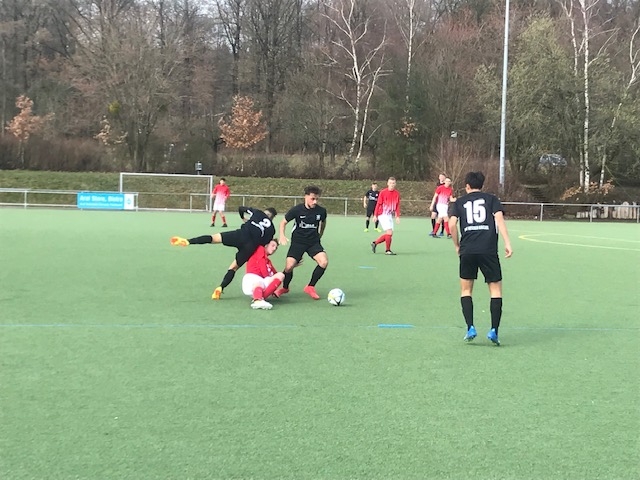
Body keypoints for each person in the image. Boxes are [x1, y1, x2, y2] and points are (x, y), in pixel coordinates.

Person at [448, 171, 513, 346]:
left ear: (467, 186)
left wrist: (457, 245)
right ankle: (494, 331)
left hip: (467, 250)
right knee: (495, 291)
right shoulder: (491, 199)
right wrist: (507, 242)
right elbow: (499, 220)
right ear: (482, 185)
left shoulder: (459, 202)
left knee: (466, 290)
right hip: (488, 250)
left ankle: (470, 327)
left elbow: (452, 224)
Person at [170, 206, 277, 299]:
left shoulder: (257, 212)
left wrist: (244, 219)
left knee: (213, 238)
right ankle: (220, 288)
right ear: (272, 218)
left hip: (240, 235)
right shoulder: (272, 229)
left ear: (265, 212)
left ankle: (188, 241)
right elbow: (263, 245)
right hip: (250, 247)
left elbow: (241, 208)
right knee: (233, 268)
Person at [275, 185, 328, 300]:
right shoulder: (297, 210)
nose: (315, 202)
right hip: (298, 242)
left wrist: (320, 235)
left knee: (323, 262)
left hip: (313, 242)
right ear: (306, 197)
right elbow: (283, 222)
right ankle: (285, 288)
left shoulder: (321, 211)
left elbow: (323, 223)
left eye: (317, 199)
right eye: (312, 199)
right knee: (289, 267)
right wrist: (282, 236)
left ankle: (310, 286)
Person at [241, 239, 284, 310]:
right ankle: (258, 299)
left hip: (262, 282)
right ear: (266, 245)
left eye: (276, 248)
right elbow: (262, 268)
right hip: (251, 278)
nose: (274, 249)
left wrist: (290, 268)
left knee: (281, 275)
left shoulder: (269, 262)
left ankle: (259, 297)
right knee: (258, 282)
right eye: (272, 245)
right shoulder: (260, 249)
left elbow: (275, 275)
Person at [370, 177, 400, 255]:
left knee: (389, 234)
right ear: (387, 183)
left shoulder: (397, 193)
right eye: (390, 183)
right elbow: (378, 204)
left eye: (393, 183)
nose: (392, 185)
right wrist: (375, 215)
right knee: (389, 232)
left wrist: (397, 216)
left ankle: (375, 243)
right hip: (382, 214)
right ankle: (387, 250)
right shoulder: (383, 192)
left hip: (389, 214)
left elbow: (397, 205)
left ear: (395, 184)